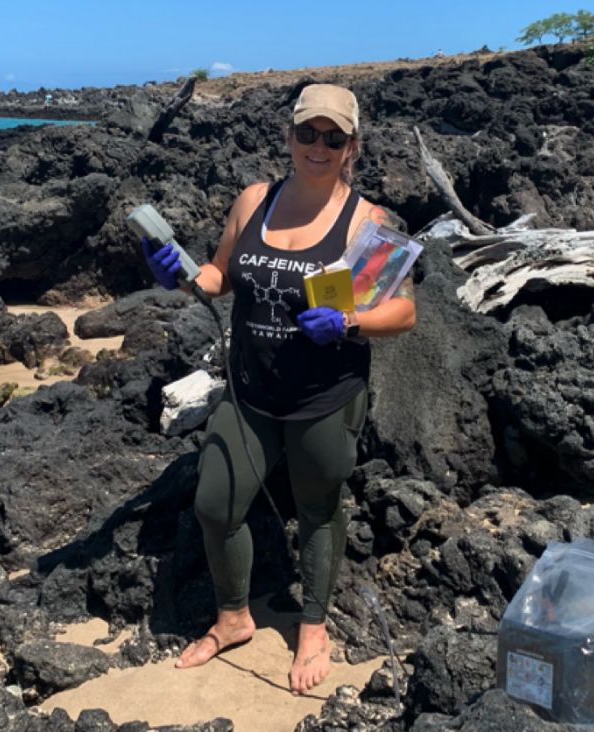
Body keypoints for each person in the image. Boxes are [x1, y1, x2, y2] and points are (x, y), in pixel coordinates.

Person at [141, 83, 416, 695]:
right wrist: (181, 276)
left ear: (352, 146)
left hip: (325, 396)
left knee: (318, 507)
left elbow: (403, 313)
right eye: (307, 133)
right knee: (215, 503)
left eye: (334, 137)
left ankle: (313, 625)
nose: (318, 146)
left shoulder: (366, 222)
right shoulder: (254, 202)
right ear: (289, 136)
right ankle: (234, 618)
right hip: (251, 391)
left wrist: (347, 320)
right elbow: (218, 276)